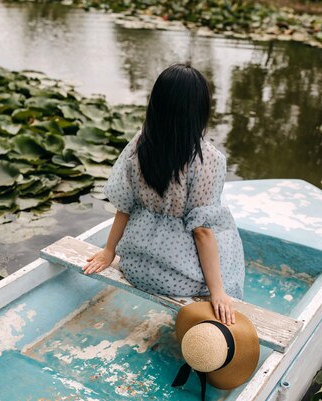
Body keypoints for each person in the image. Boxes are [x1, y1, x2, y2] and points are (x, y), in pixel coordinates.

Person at [83, 63, 245, 325]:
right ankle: (218, 289)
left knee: (213, 221)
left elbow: (124, 205)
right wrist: (218, 292)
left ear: (156, 104)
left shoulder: (140, 142)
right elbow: (202, 232)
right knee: (225, 233)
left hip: (135, 264)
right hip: (177, 277)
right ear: (199, 110)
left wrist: (109, 251)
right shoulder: (209, 160)